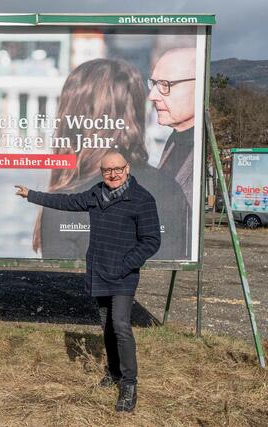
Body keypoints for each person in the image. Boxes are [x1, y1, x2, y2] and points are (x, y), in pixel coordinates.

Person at [16, 150, 161, 412]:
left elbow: (151, 240)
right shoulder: (96, 194)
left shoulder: (142, 199)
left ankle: (129, 385)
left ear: (127, 169)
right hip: (99, 271)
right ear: (102, 172)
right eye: (107, 171)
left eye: (118, 169)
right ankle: (113, 373)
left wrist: (126, 264)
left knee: (120, 324)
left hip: (124, 275)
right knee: (106, 325)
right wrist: (31, 195)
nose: (113, 174)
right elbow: (68, 202)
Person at [34, 58, 189, 260]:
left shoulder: (63, 206)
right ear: (137, 113)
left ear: (72, 118)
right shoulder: (170, 189)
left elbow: (61, 285)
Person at [148, 48, 197, 210]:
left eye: (164, 84)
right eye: (154, 84)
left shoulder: (202, 144)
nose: (152, 96)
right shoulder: (176, 138)